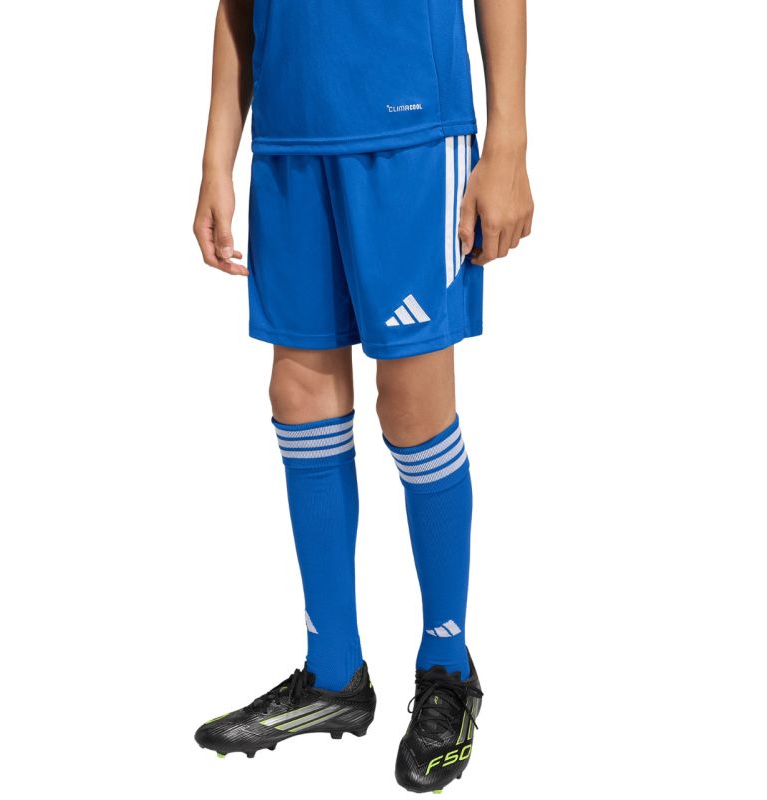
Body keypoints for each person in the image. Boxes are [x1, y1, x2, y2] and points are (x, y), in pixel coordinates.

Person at [192, 0, 533, 792]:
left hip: (409, 133)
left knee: (413, 408)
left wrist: (508, 144)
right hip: (290, 139)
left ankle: (448, 667)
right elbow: (237, 8)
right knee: (298, 395)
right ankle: (333, 675)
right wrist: (216, 158)